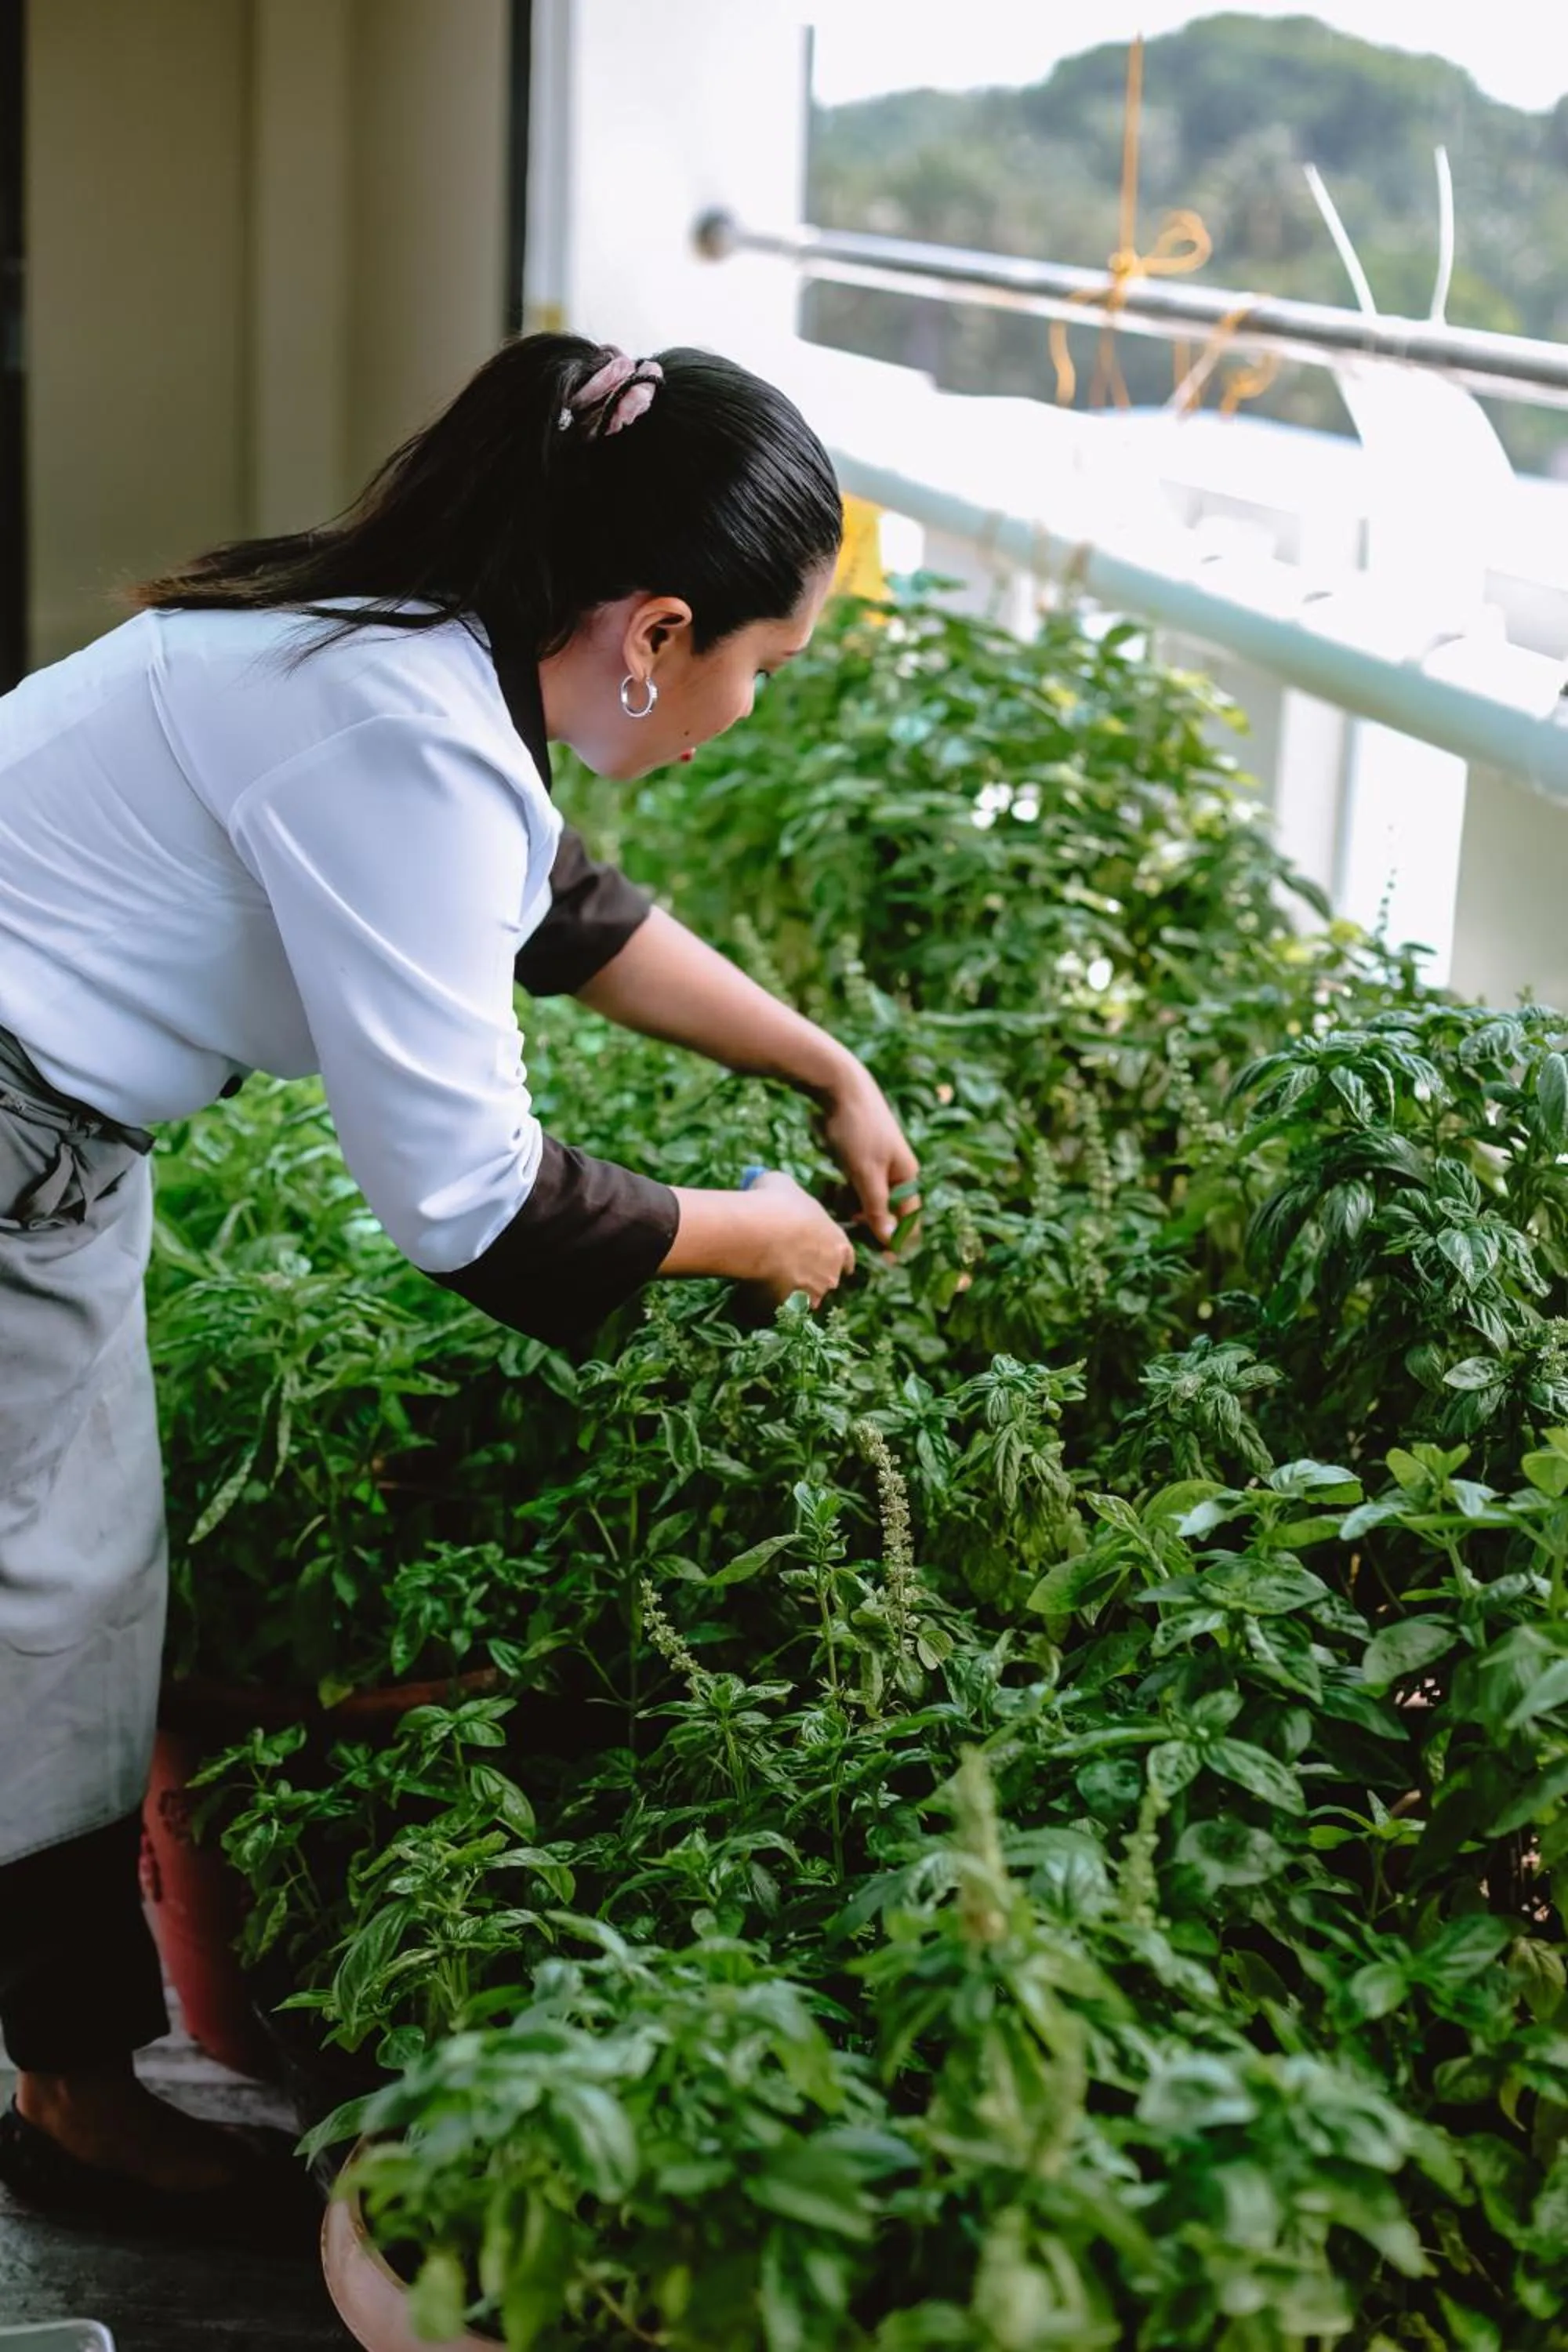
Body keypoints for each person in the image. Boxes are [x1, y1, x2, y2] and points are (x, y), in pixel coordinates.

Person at [0, 334, 919, 2238]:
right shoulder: (406, 735)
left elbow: (557, 909)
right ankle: (80, 2106)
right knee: (55, 1621)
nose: (750, 710)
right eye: (765, 667)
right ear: (657, 627)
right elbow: (474, 1207)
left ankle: (79, 2079)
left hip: (38, 1128)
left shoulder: (400, 645)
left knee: (68, 1608)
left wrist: (816, 1062)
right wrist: (755, 1229)